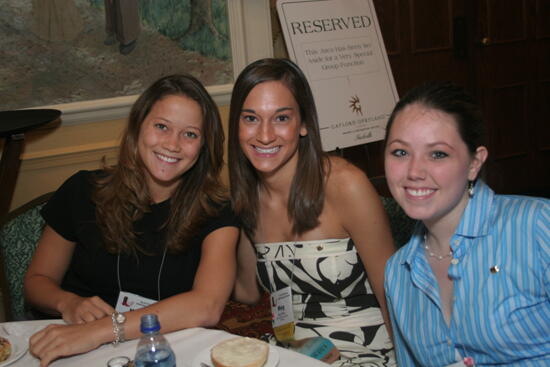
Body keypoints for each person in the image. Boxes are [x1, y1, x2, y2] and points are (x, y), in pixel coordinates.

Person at [24, 74, 239, 366]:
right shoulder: (81, 191)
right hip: (75, 348)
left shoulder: (218, 210)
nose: (173, 144)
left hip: (163, 353)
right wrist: (68, 302)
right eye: (161, 127)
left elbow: (208, 305)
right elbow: (37, 282)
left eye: (190, 134)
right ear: (138, 127)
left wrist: (101, 330)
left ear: (203, 146)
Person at [228, 58, 396, 366]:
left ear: (304, 123)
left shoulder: (346, 185)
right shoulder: (247, 197)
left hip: (368, 348)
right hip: (297, 350)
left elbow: (393, 295)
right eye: (250, 118)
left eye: (281, 118)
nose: (264, 135)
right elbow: (247, 292)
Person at [383, 81, 550, 366]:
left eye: (438, 154)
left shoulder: (536, 226)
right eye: (400, 152)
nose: (414, 172)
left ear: (474, 163)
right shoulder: (398, 273)